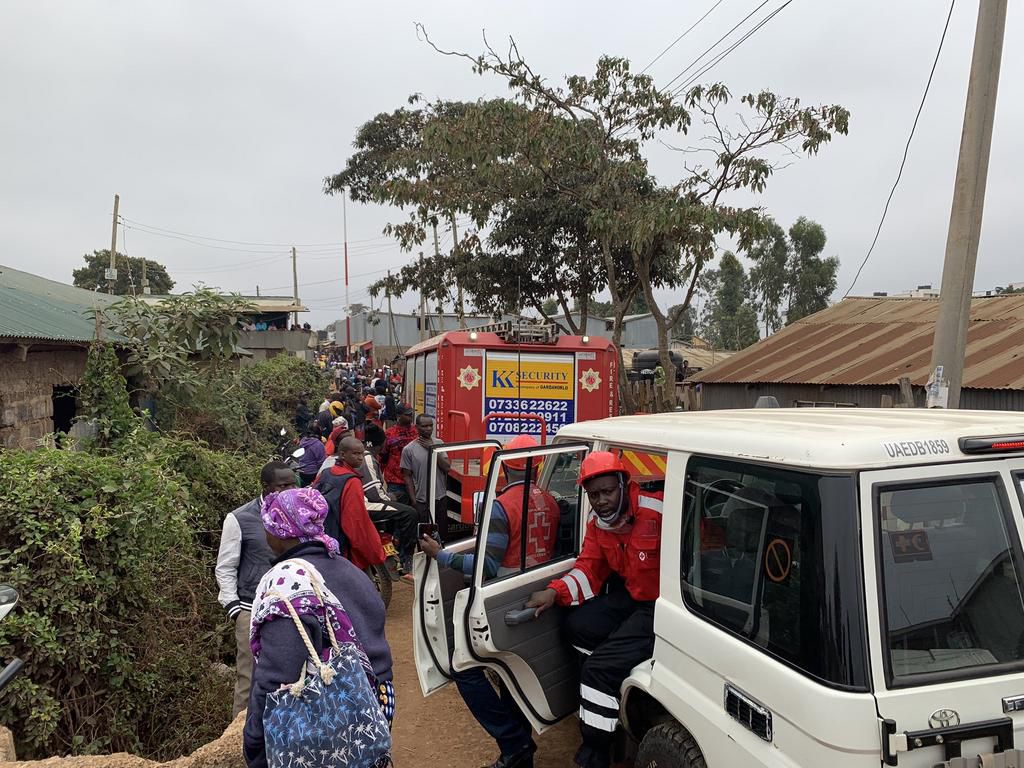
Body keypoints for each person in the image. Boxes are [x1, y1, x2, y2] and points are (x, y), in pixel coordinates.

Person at [418, 435, 558, 768]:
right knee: (511, 669)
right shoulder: (550, 500)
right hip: (538, 594)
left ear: (504, 467)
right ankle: (517, 747)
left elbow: (489, 565)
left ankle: (514, 742)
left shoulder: (502, 505)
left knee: (464, 670)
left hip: (503, 598)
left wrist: (442, 556)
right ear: (537, 465)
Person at [526, 452, 664, 768]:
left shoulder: (657, 510)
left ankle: (597, 751)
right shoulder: (598, 524)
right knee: (577, 626)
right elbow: (589, 569)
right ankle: (605, 691)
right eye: (594, 495)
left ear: (622, 485)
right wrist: (553, 592)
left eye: (607, 492)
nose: (601, 500)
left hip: (663, 609)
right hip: (634, 597)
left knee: (597, 669)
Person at [243, 488, 394, 768]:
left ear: (278, 531)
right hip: (375, 704)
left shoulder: (287, 583)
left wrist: (254, 739)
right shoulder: (350, 570)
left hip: (330, 715)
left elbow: (278, 674)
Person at [215, 461, 296, 718]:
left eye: (293, 484)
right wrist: (235, 610)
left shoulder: (297, 513)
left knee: (291, 678)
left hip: (290, 610)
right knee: (247, 680)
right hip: (251, 610)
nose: (289, 490)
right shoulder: (240, 518)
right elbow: (225, 567)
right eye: (282, 485)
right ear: (266, 487)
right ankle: (239, 743)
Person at [313, 437, 386, 570]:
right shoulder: (352, 481)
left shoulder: (326, 472)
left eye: (361, 454)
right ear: (342, 454)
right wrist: (374, 551)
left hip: (323, 538)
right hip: (343, 545)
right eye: (355, 453)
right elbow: (356, 522)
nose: (360, 458)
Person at [360, 423, 419, 580]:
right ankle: (406, 559)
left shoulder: (367, 456)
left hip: (366, 501)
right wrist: (390, 498)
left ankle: (393, 542)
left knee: (398, 504)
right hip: (367, 504)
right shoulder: (367, 459)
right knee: (410, 514)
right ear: (382, 443)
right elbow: (375, 494)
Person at [400, 413, 450, 523]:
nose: (428, 429)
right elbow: (407, 476)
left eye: (430, 425)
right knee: (424, 534)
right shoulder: (409, 449)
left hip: (440, 498)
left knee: (441, 533)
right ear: (416, 427)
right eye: (424, 426)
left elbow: (446, 467)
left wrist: (432, 448)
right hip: (422, 500)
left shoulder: (439, 443)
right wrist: (414, 501)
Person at [380, 404, 417, 504]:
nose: (411, 415)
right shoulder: (389, 434)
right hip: (395, 481)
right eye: (408, 414)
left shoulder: (417, 432)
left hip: (415, 481)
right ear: (399, 416)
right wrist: (379, 478)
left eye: (412, 413)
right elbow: (383, 457)